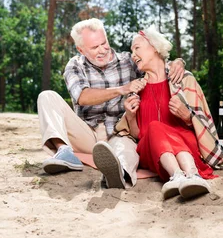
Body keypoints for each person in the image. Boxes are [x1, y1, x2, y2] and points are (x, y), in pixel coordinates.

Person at [37, 19, 186, 189]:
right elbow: (82, 96)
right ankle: (64, 152)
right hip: (87, 133)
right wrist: (121, 89)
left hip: (119, 132)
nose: (102, 50)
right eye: (94, 47)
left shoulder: (128, 60)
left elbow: (157, 66)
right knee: (46, 96)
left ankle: (119, 174)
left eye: (104, 43)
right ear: (81, 49)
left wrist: (178, 62)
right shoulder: (75, 65)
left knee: (125, 151)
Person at [115, 27, 223, 200]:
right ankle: (178, 174)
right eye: (132, 51)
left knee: (176, 134)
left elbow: (203, 123)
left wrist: (187, 116)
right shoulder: (136, 90)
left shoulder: (183, 79)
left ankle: (191, 176)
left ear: (154, 47)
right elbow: (139, 135)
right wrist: (130, 117)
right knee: (154, 128)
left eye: (136, 48)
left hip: (186, 145)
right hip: (153, 152)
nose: (133, 54)